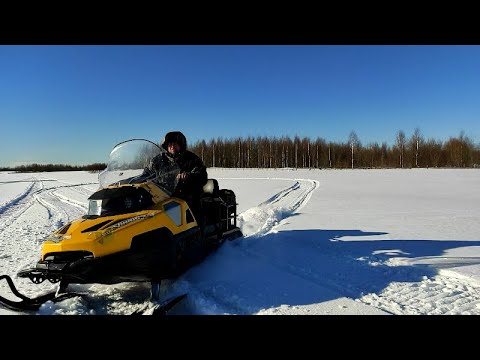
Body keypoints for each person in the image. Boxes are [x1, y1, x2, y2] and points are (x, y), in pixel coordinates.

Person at [158, 131, 208, 228]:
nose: (172, 146)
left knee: (194, 210)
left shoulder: (191, 159)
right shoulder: (159, 160)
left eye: (175, 144)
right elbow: (147, 173)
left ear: (180, 145)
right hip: (164, 195)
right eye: (170, 144)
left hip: (187, 195)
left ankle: (198, 235)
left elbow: (202, 176)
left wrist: (189, 176)